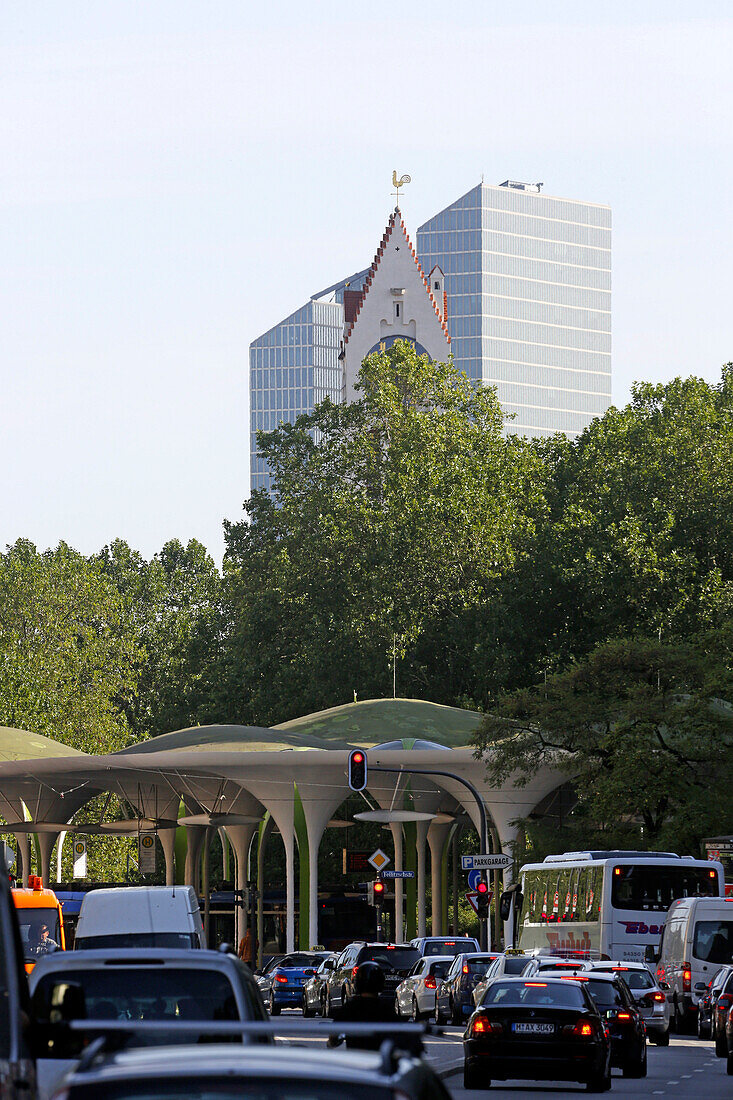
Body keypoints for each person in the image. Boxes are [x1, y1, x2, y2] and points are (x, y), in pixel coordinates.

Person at [329, 962, 420, 1053]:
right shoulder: (385, 1008)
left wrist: (334, 1041)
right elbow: (399, 1032)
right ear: (380, 983)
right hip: (378, 1060)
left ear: (358, 983)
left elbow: (333, 1036)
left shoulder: (349, 1007)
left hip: (355, 1061)